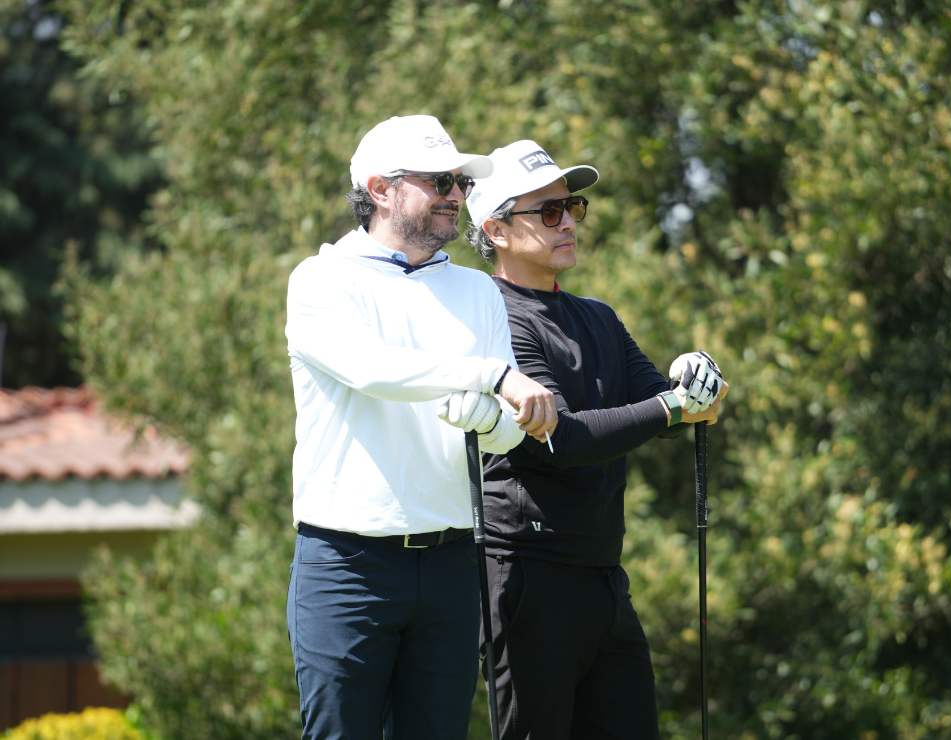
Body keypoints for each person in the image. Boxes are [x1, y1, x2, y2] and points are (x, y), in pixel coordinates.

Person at [284, 115, 558, 739]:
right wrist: (493, 377)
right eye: (439, 182)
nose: (455, 195)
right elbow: (373, 370)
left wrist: (493, 422)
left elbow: (508, 433)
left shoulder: (477, 291)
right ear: (380, 189)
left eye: (459, 183)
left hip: (450, 563)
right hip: (346, 564)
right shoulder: (321, 279)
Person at [464, 139, 729, 739]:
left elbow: (671, 405)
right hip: (526, 577)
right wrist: (674, 406)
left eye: (572, 207)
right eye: (548, 211)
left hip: (603, 574)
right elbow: (565, 439)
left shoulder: (598, 316)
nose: (568, 223)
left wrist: (696, 384)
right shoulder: (494, 320)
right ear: (496, 231)